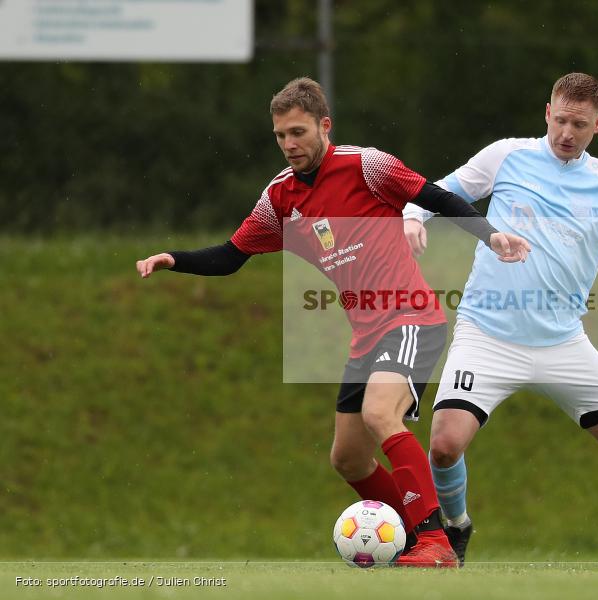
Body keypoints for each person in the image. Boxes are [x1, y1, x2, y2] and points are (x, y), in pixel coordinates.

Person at [136, 77, 530, 567]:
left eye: (298, 132)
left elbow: (437, 198)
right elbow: (232, 256)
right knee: (347, 458)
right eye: (280, 136)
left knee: (379, 414)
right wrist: (175, 258)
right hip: (366, 336)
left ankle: (435, 542)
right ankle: (413, 535)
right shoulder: (280, 198)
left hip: (412, 317)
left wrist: (489, 236)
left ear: (325, 125)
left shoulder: (367, 166)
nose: (289, 145)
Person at [403, 72, 598, 565]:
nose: (566, 133)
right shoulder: (507, 155)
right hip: (487, 334)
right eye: (560, 120)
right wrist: (410, 217)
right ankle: (456, 528)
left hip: (562, 343)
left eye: (579, 124)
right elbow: (436, 191)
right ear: (546, 113)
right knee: (445, 446)